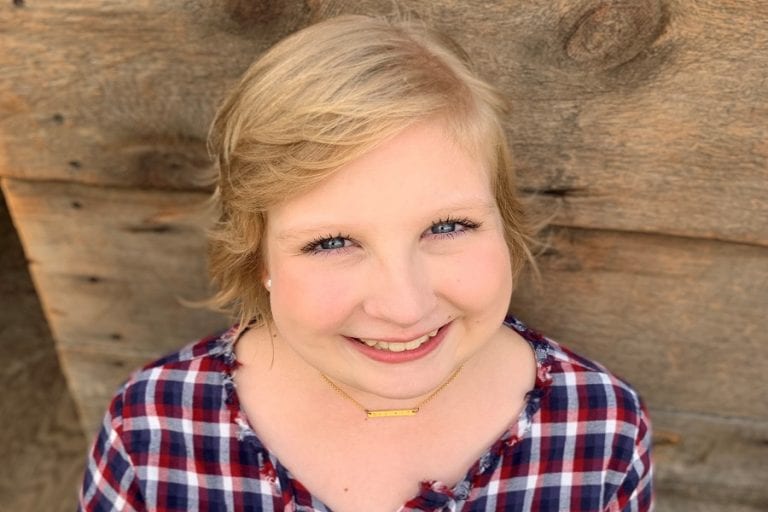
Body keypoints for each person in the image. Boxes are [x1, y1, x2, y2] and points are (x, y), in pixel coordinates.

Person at [78, 14, 653, 512]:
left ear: (505, 222)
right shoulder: (153, 429)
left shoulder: (601, 430)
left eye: (447, 227)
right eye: (332, 242)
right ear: (257, 255)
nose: (405, 306)